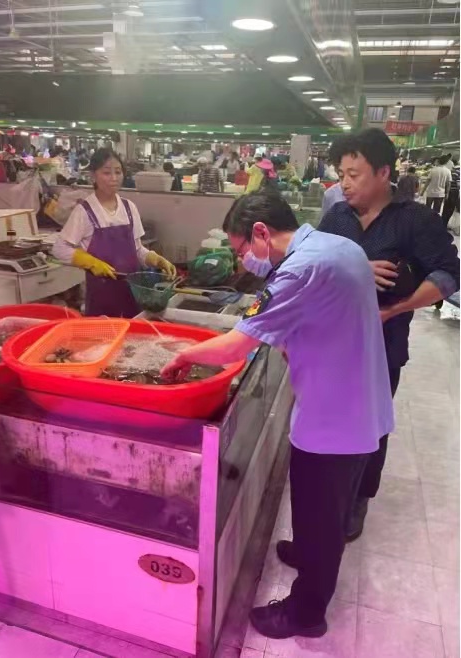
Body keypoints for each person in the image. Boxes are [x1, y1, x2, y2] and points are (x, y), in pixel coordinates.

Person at [161, 191, 394, 640]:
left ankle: (306, 614)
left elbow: (235, 346)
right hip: (358, 402)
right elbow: (327, 316)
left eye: (241, 249)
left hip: (334, 421)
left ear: (261, 232)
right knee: (319, 507)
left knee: (321, 518)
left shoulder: (298, 269)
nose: (243, 260)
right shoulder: (338, 247)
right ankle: (307, 551)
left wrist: (183, 355)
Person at [319, 128, 459, 540]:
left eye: (354, 174)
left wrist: (394, 309)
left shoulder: (415, 220)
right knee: (330, 421)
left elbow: (449, 275)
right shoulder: (337, 217)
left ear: (383, 172)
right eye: (341, 174)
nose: (344, 184)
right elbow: (313, 264)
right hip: (331, 344)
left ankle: (359, 498)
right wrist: (354, 266)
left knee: (370, 426)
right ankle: (327, 490)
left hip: (383, 346)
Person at [52, 148, 175, 317]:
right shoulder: (85, 211)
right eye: (106, 173)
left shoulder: (129, 208)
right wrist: (90, 262)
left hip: (132, 294)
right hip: (102, 296)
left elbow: (137, 249)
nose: (114, 178)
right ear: (93, 176)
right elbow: (59, 248)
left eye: (118, 172)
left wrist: (155, 259)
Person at [442, 157, 460, 229]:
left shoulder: (451, 171)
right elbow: (458, 184)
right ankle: (444, 225)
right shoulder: (458, 171)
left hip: (448, 191)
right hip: (454, 192)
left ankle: (443, 223)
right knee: (450, 209)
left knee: (446, 208)